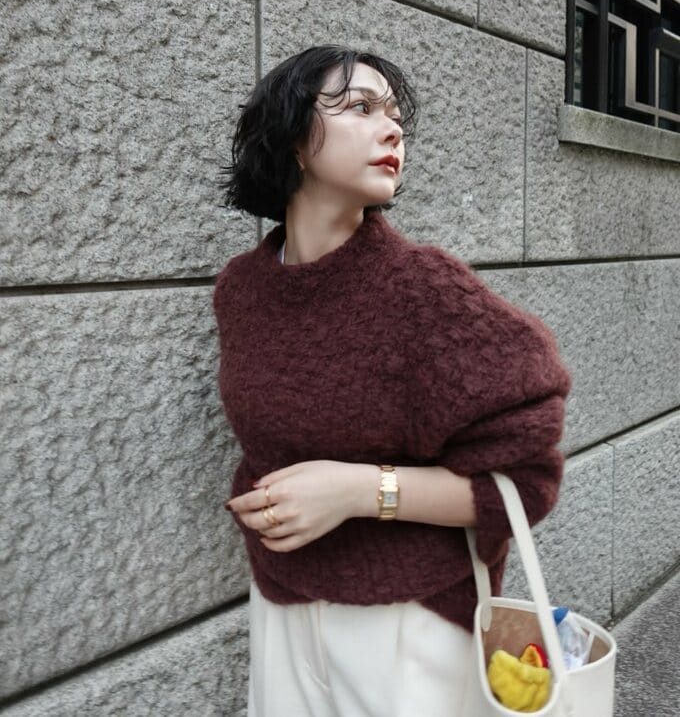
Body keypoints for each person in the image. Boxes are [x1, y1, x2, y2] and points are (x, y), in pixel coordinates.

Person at [213, 44, 572, 717]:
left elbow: (525, 484)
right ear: (293, 139)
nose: (391, 130)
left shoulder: (426, 291)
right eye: (360, 108)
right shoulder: (242, 290)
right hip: (280, 603)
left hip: (405, 627)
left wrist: (359, 491)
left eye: (395, 116)